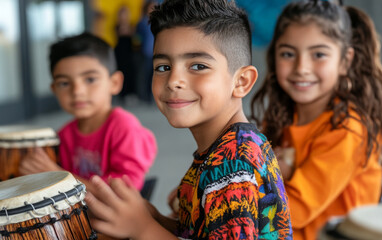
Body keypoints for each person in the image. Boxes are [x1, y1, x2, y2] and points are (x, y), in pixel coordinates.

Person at [84, 0, 293, 239]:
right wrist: (154, 219)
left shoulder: (233, 163)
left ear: (241, 81)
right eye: (163, 67)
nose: (174, 80)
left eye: (198, 65)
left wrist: (143, 228)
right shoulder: (224, 147)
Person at [250, 1, 382, 239]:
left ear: (345, 61)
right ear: (273, 56)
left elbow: (292, 211)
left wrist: (268, 173)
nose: (302, 68)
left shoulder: (347, 129)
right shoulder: (283, 116)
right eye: (288, 54)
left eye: (318, 54)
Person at [19, 32, 157, 193]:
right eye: (64, 83)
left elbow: (123, 194)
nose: (77, 91)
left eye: (90, 79)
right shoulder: (64, 135)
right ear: (54, 89)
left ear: (114, 83)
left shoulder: (124, 128)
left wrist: (58, 175)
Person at [135, 0, 157, 104]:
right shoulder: (142, 22)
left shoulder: (158, 21)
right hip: (145, 53)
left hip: (156, 53)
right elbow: (137, 38)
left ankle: (152, 96)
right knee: (144, 76)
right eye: (151, 7)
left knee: (154, 76)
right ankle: (143, 97)